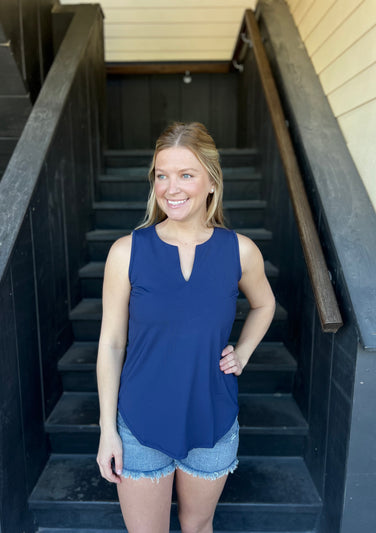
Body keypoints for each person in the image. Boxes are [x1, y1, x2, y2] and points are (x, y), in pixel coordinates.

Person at [96, 122, 276, 533]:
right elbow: (111, 344)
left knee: (197, 527)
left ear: (212, 183)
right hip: (140, 423)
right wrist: (108, 430)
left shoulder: (240, 251)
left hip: (212, 419)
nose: (171, 188)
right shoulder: (127, 252)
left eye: (186, 175)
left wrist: (244, 351)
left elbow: (265, 304)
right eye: (162, 175)